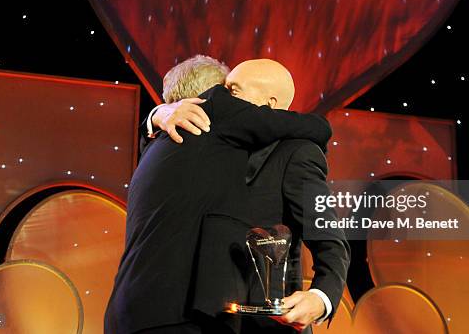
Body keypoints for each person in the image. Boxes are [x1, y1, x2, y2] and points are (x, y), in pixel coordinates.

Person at [104, 55, 337, 334]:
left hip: (129, 313)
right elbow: (318, 127)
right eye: (226, 89)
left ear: (270, 105)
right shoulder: (215, 107)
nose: (227, 94)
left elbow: (327, 234)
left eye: (233, 90)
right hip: (179, 316)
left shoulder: (158, 144)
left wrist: (155, 116)